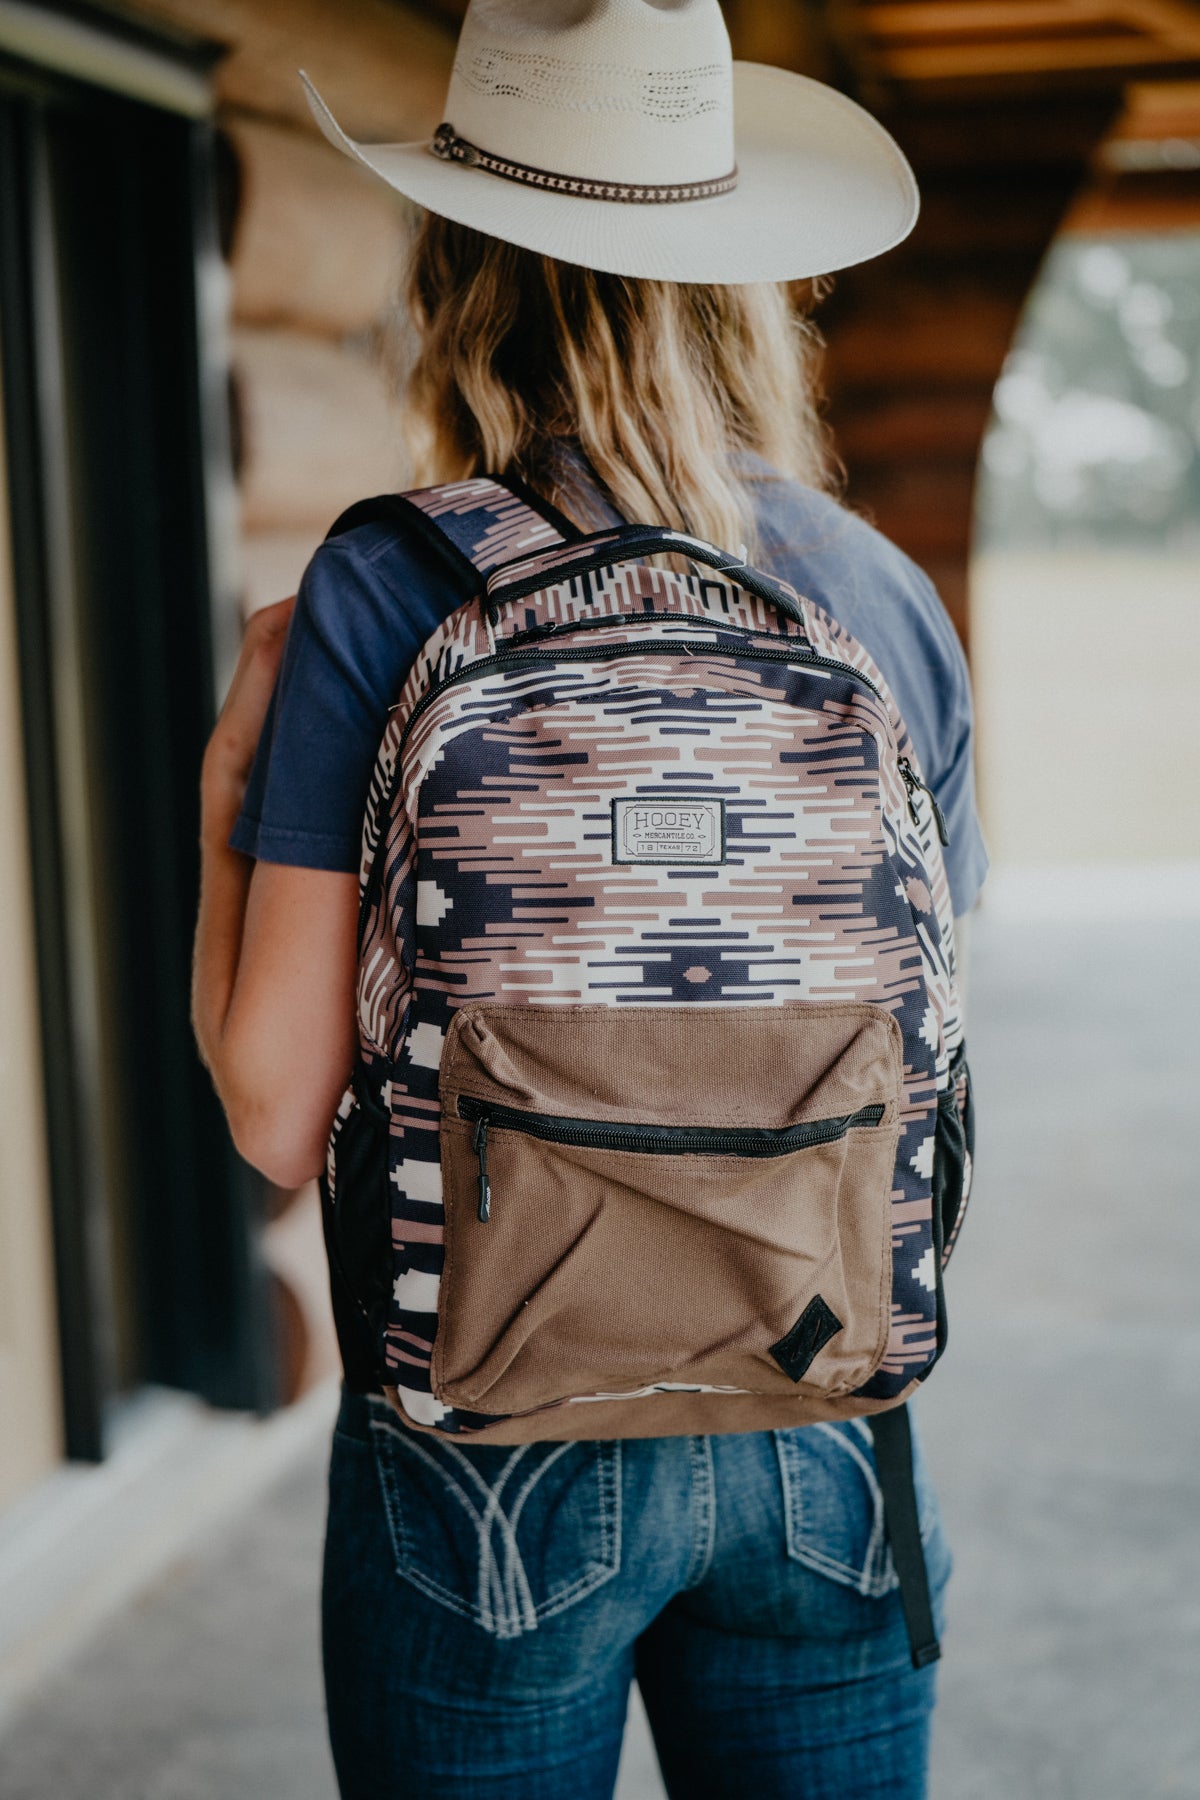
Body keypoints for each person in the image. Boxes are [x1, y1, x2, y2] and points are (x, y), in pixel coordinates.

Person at [193, 3, 987, 1795]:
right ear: (745, 285)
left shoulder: (386, 590)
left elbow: (269, 1111)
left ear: (461, 272)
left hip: (489, 1418)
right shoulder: (875, 593)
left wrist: (227, 802)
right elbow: (916, 1031)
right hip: (827, 1400)